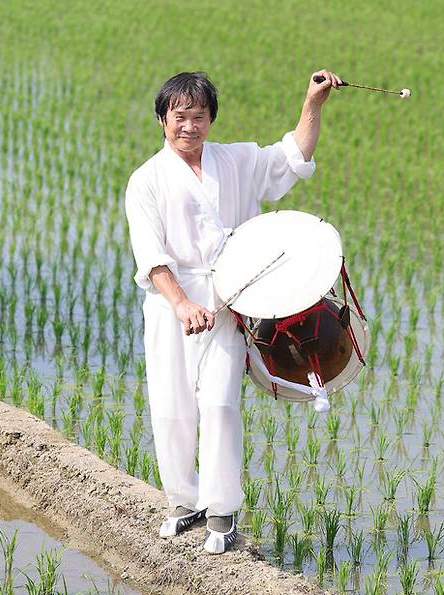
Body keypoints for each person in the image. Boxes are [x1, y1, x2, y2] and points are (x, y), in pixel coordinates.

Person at [125, 69, 341, 554]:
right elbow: (151, 255)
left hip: (229, 303)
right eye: (180, 117)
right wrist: (181, 304)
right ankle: (184, 501)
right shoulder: (146, 181)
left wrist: (313, 104)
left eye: (198, 117)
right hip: (169, 308)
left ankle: (221, 509)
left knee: (220, 403)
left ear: (210, 119)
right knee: (172, 408)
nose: (189, 126)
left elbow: (294, 156)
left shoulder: (237, 160)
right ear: (162, 119)